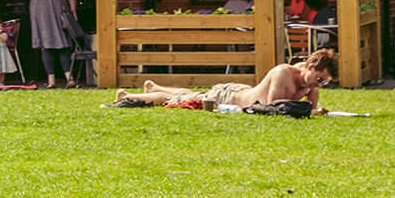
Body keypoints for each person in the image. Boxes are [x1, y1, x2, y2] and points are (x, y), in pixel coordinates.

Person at [115, 50, 337, 113]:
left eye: (323, 83)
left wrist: (313, 105)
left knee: (193, 94)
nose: (318, 85)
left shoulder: (309, 84)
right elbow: (273, 106)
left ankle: (154, 86)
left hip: (242, 92)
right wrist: (310, 111)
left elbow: (311, 108)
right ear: (309, 67)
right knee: (185, 99)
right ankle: (128, 96)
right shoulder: (283, 73)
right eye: (319, 79)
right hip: (231, 97)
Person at [23, 0, 79, 89]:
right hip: (58, 8)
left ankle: (51, 80)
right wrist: (73, 11)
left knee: (45, 44)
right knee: (63, 43)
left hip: (39, 10)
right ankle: (70, 78)